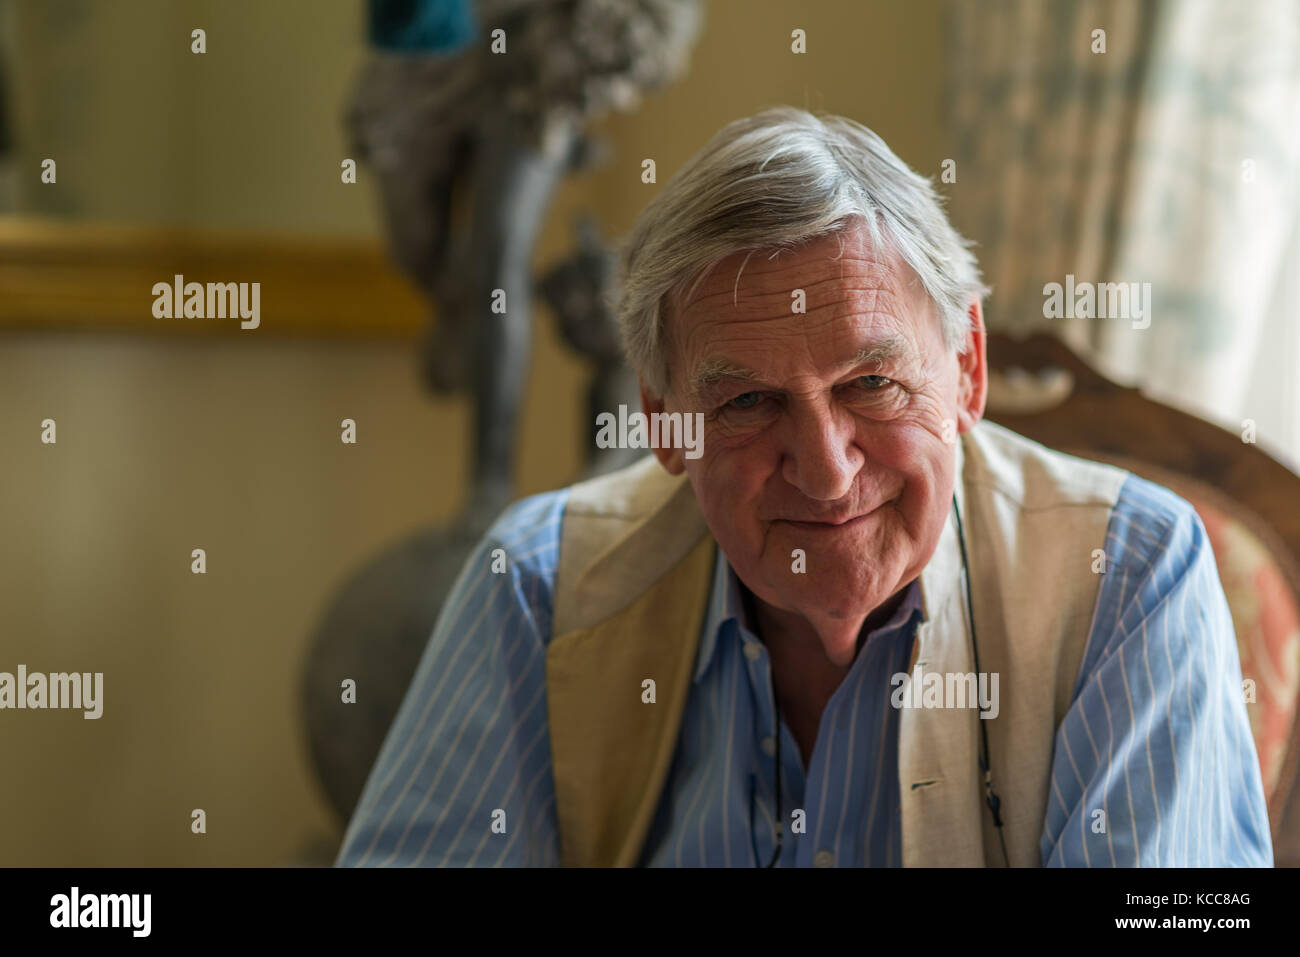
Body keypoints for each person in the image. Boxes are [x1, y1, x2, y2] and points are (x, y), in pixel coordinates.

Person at [336, 107, 1273, 867]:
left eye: (871, 383)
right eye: (748, 401)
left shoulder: (1129, 575)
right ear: (664, 422)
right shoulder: (537, 589)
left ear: (968, 369)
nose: (826, 469)